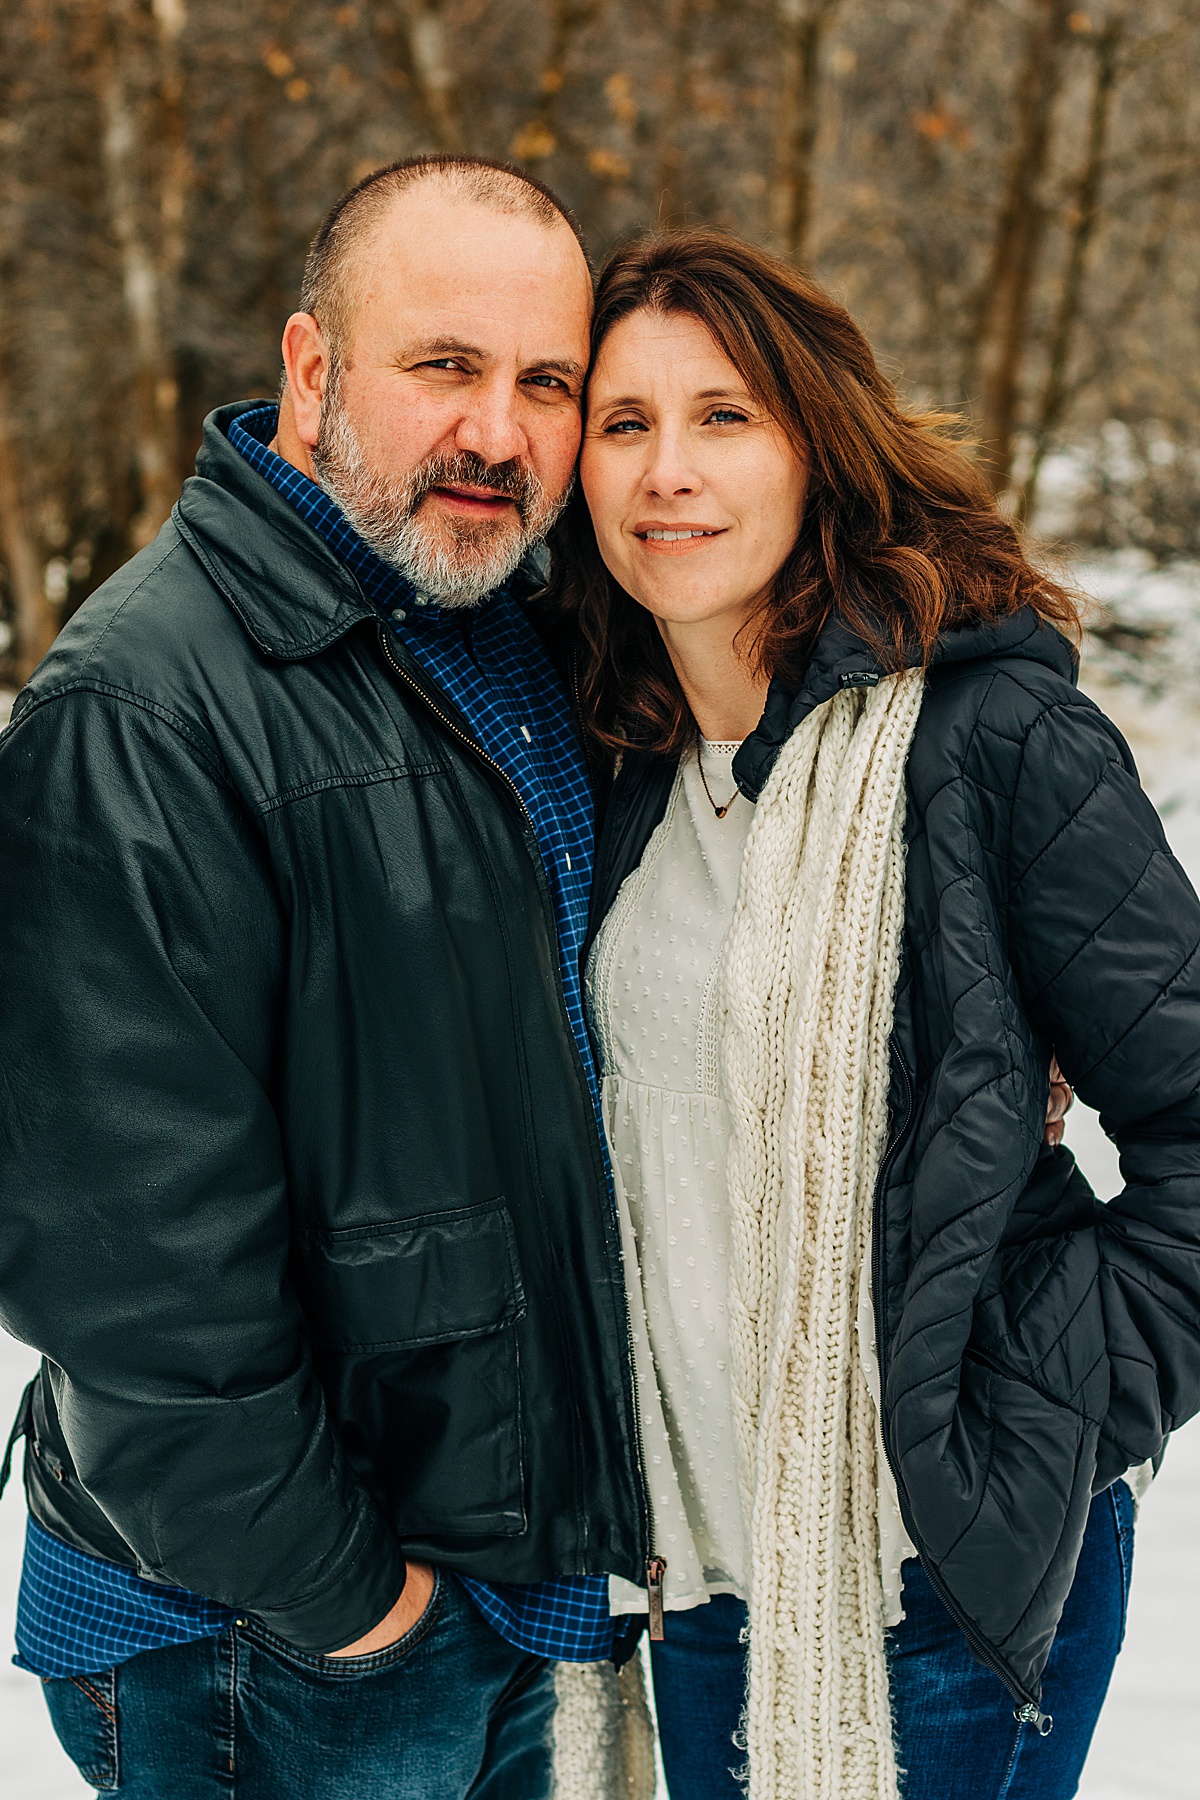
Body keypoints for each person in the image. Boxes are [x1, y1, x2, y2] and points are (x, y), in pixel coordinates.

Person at [0, 156, 653, 1800]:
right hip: (268, 1628)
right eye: (444, 366)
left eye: (548, 384)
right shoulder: (146, 705)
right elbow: (126, 1265)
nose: (499, 434)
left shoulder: (520, 630)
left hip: (513, 1601)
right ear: (311, 373)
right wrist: (356, 1603)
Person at [555, 227, 1200, 1800]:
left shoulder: (993, 742)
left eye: (723, 417)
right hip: (694, 1573)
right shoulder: (615, 770)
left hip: (936, 1568)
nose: (667, 472)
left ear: (817, 444)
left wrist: (1055, 1394)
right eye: (623, 424)